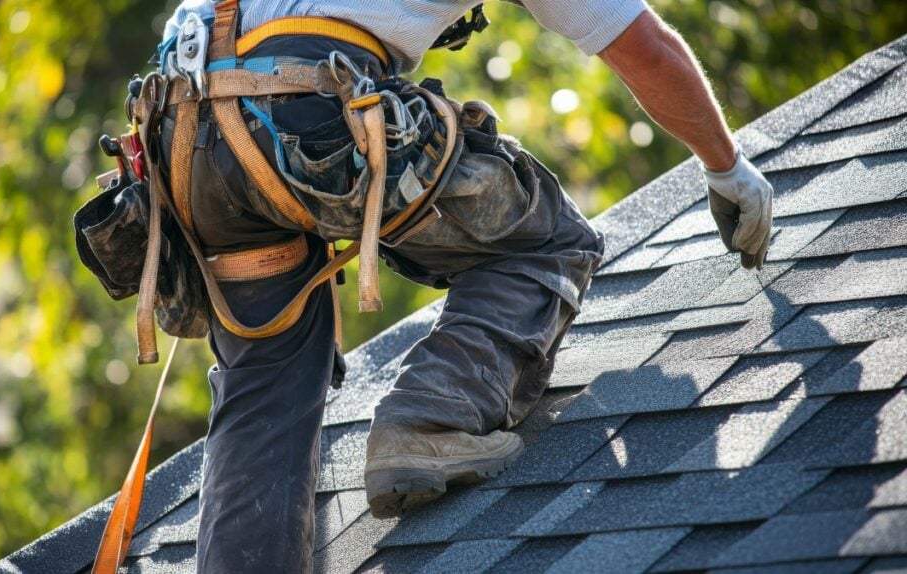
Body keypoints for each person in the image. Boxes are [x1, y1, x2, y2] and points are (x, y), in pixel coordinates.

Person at [143, 0, 773, 571]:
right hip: (298, 106)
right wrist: (728, 168)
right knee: (545, 238)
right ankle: (433, 415)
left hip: (182, 131)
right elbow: (642, 46)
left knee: (265, 379)